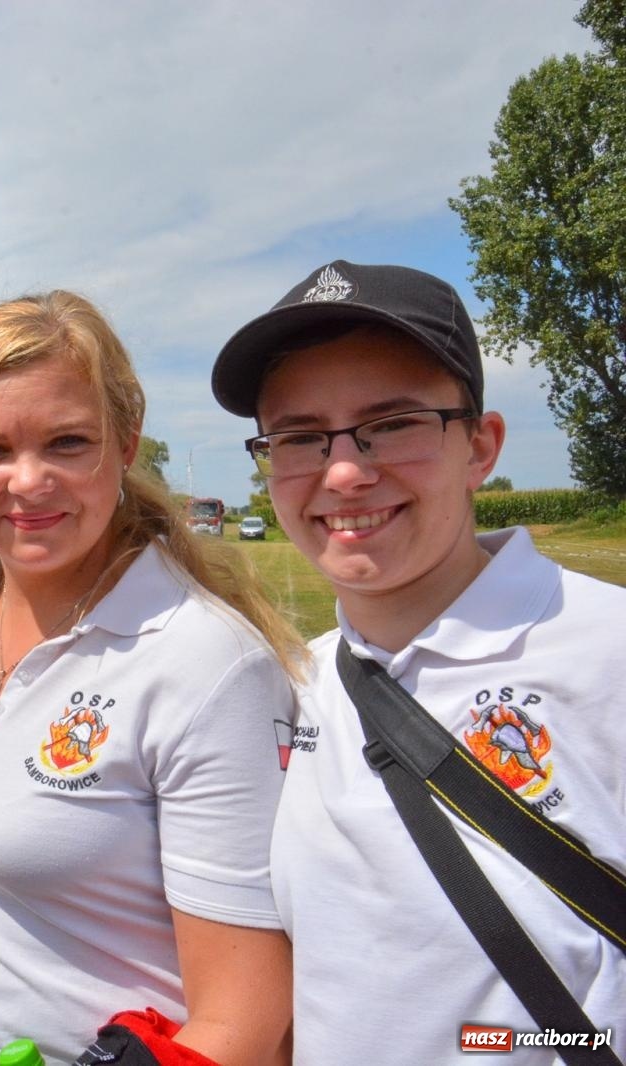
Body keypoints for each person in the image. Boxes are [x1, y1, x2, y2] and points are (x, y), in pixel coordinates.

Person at [0, 291, 304, 1066]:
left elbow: (246, 1017)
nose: (28, 481)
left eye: (68, 443)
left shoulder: (206, 664)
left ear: (126, 445)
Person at [211, 260, 626, 1063]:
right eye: (300, 437)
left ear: (482, 446)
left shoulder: (608, 651)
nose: (343, 472)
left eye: (393, 423)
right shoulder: (296, 684)